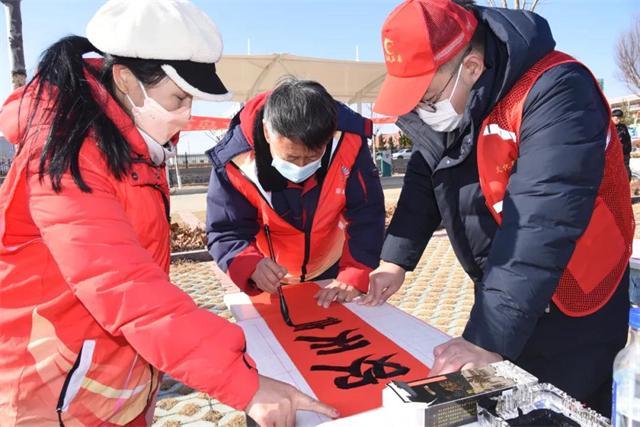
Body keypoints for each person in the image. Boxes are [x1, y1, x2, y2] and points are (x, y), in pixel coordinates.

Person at [0, 1, 337, 426]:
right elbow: (125, 286)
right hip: (54, 388)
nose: (187, 114)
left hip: (114, 376)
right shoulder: (67, 154)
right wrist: (243, 383)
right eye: (178, 98)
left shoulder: (131, 139)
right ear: (125, 79)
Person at [365, 0, 633, 415]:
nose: (421, 110)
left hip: (575, 290)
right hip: (507, 288)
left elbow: (541, 221)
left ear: (471, 67)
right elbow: (424, 174)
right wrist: (393, 261)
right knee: (505, 401)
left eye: (427, 95)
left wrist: (485, 338)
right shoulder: (458, 103)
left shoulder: (556, 88)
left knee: (564, 409)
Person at [206, 78, 384, 307]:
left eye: (312, 157)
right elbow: (225, 230)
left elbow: (367, 213)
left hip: (333, 267)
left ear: (329, 136)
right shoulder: (233, 161)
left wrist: (354, 273)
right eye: (290, 157)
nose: (301, 166)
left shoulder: (349, 142)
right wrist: (250, 266)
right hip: (268, 273)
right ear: (267, 132)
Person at [612, 108, 633, 180]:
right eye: (616, 118)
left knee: (626, 170)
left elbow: (627, 139)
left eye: (619, 118)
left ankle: (627, 183)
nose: (618, 120)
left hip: (624, 153)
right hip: (614, 154)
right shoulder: (608, 127)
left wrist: (627, 151)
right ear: (612, 117)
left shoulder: (623, 127)